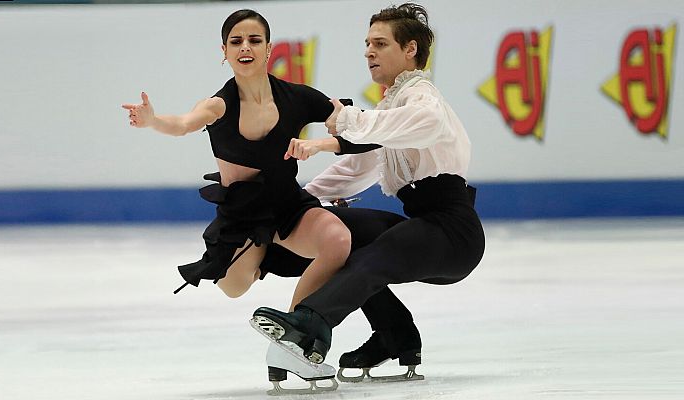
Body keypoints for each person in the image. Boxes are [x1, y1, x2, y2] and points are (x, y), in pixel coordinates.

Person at [252, 2, 486, 377]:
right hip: (424, 224)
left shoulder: (422, 97)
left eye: (379, 43)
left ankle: (310, 325)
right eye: (367, 43)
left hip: (453, 234)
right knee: (343, 234)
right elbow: (357, 166)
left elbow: (422, 122)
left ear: (410, 49)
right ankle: (396, 336)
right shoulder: (394, 106)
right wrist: (300, 205)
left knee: (372, 260)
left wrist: (347, 119)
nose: (368, 52)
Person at [121, 9, 357, 311]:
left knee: (337, 240)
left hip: (289, 208)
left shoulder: (297, 98)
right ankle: (268, 254)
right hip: (243, 217)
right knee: (233, 287)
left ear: (269, 49)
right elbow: (182, 124)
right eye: (236, 41)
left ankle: (299, 323)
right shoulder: (218, 105)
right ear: (225, 52)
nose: (245, 47)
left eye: (255, 40)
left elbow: (354, 125)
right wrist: (153, 121)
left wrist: (337, 124)